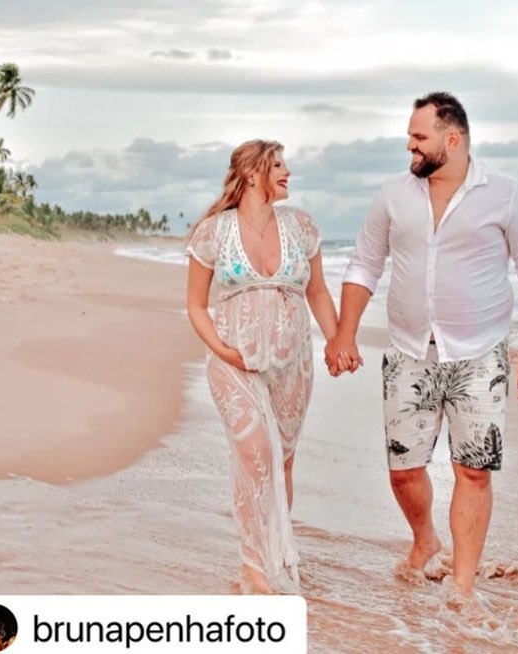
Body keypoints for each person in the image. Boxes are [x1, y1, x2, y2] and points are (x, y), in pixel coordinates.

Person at [325, 92, 518, 602]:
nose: (409, 145)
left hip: (480, 355)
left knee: (473, 471)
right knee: (404, 472)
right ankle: (425, 539)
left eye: (418, 136)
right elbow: (365, 265)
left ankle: (462, 585)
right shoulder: (393, 195)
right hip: (409, 353)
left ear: (452, 139)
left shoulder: (507, 195)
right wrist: (344, 332)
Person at [186, 139, 344, 594]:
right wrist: (222, 349)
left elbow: (317, 292)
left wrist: (337, 340)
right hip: (234, 364)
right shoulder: (214, 233)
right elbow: (195, 305)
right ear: (252, 174)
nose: (287, 171)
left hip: (292, 366)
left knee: (281, 463)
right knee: (256, 456)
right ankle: (253, 568)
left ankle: (274, 554)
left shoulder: (301, 226)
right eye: (277, 165)